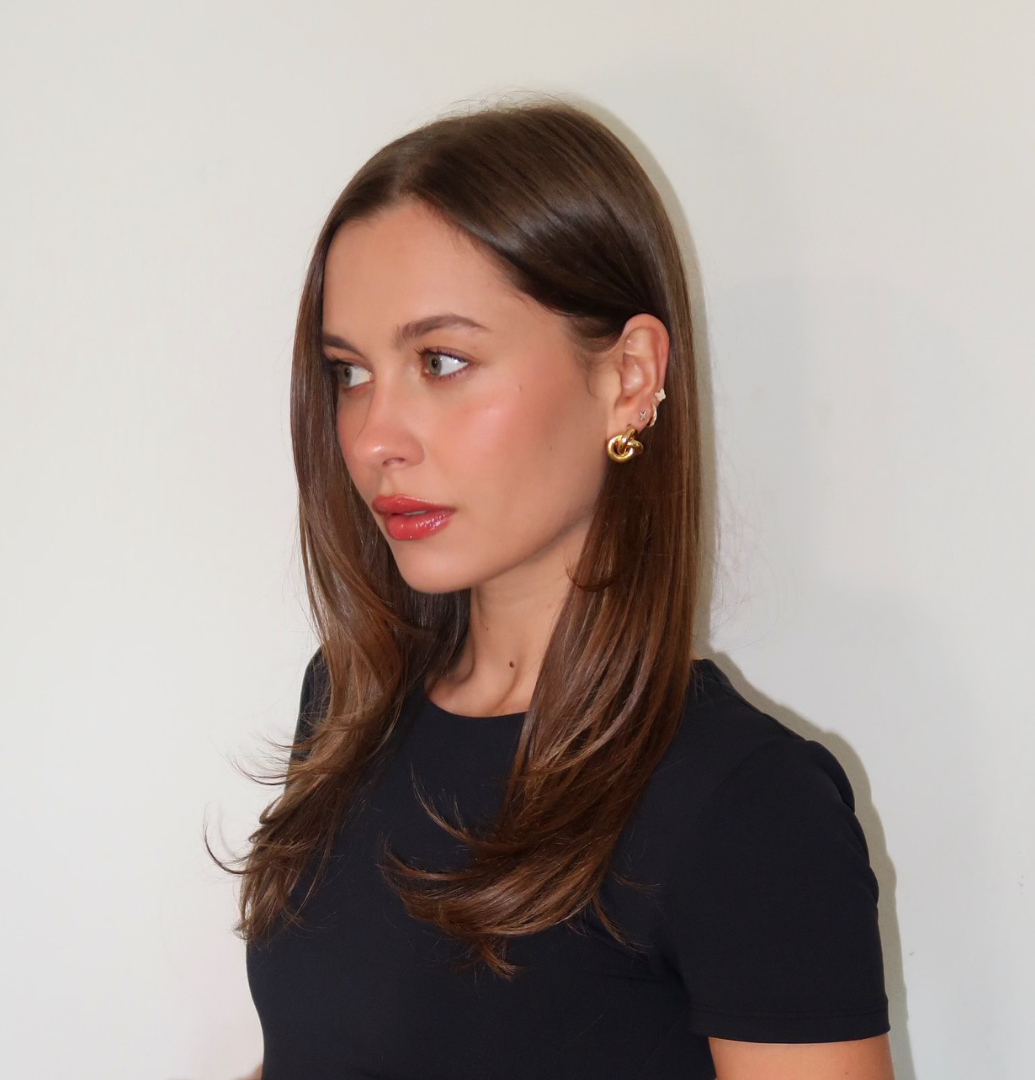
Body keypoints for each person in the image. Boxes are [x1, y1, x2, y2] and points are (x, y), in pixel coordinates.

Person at [230, 98, 894, 1079]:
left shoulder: (745, 806)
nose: (374, 438)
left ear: (628, 378)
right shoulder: (346, 704)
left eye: (441, 361)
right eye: (349, 373)